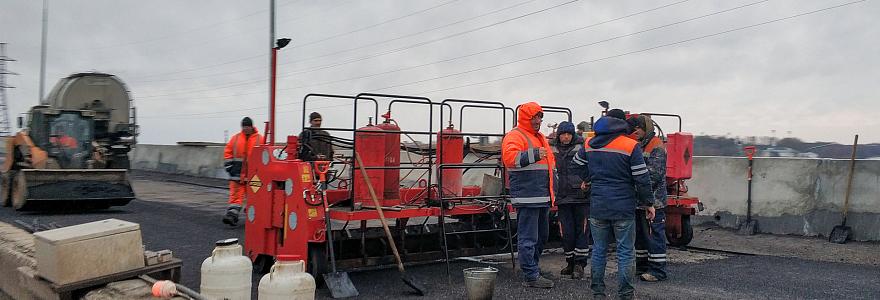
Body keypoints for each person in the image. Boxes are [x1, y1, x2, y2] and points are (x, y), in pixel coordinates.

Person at [573, 109, 655, 300]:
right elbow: (642, 178)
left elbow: (576, 164)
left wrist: (590, 178)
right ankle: (626, 294)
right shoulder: (630, 145)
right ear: (621, 126)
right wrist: (648, 203)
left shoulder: (590, 144)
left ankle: (598, 293)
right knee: (625, 252)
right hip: (623, 207)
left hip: (598, 206)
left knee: (599, 250)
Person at [501, 102, 556, 289]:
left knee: (542, 237)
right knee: (529, 238)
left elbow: (548, 168)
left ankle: (533, 268)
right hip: (528, 197)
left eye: (540, 117)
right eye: (535, 117)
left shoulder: (540, 137)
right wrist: (534, 154)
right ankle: (531, 275)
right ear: (526, 117)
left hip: (541, 197)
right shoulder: (515, 136)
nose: (538, 121)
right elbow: (510, 159)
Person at [628, 115, 669, 282]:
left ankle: (658, 271)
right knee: (641, 236)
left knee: (654, 235)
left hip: (653, 201)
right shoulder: (640, 145)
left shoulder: (656, 146)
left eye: (638, 127)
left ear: (646, 128)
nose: (635, 130)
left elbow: (654, 175)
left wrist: (639, 191)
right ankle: (643, 266)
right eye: (635, 128)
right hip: (640, 200)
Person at [550, 121, 590, 279]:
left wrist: (587, 184)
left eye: (568, 134)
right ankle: (570, 263)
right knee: (566, 232)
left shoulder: (583, 147)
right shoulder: (551, 148)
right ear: (558, 135)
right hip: (562, 197)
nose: (566, 137)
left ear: (573, 135)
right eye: (563, 134)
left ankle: (580, 264)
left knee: (582, 231)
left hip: (581, 197)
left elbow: (591, 167)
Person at [222, 117, 262, 226]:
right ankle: (232, 216)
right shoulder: (235, 139)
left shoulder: (260, 139)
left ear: (251, 126)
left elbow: (264, 155)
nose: (245, 128)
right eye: (244, 126)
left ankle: (252, 217)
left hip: (253, 176)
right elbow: (228, 153)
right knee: (235, 197)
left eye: (247, 126)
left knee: (254, 198)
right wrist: (229, 168)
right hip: (237, 175)